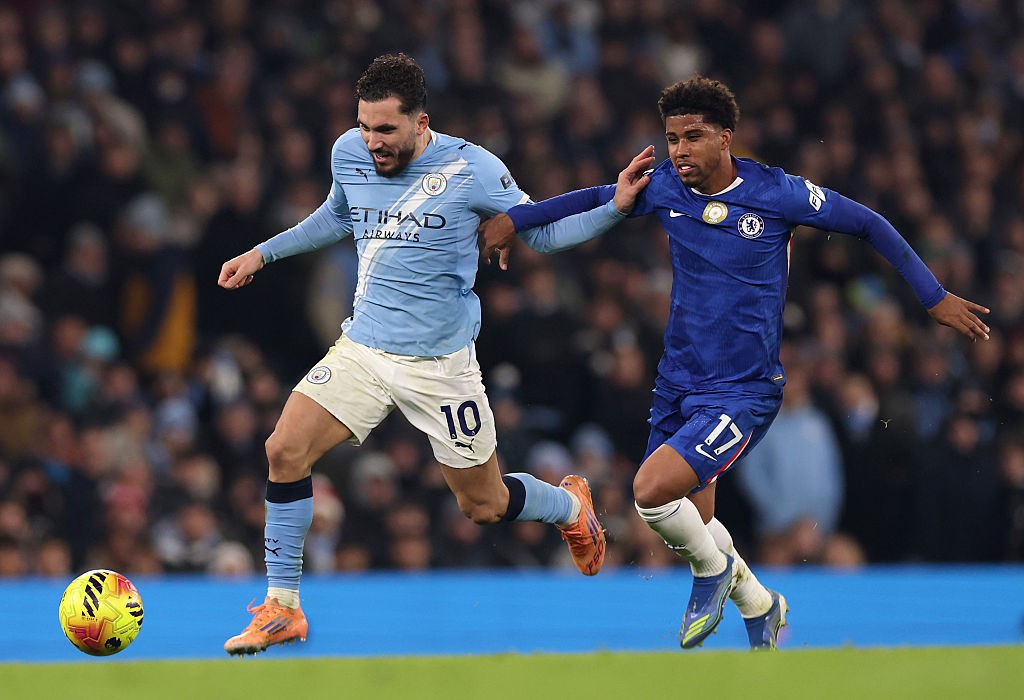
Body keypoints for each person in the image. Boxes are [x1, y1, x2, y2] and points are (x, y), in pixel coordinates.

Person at [479, 75, 990, 650]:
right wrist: (514, 221)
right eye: (672, 139)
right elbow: (594, 198)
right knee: (694, 523)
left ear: (727, 137)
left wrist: (933, 297)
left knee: (649, 492)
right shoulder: (666, 186)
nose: (679, 151)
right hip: (678, 379)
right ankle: (761, 605)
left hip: (742, 391)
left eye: (693, 138)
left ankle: (713, 575)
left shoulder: (779, 194)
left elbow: (869, 223)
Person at [215, 53, 653, 656]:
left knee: (483, 505)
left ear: (422, 123)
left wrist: (615, 208)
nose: (372, 142)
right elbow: (337, 216)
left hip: (442, 367)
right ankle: (282, 608)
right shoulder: (349, 151)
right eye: (365, 126)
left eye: (386, 130)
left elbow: (542, 232)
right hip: (364, 348)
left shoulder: (473, 169)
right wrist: (262, 254)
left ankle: (567, 505)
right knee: (283, 449)